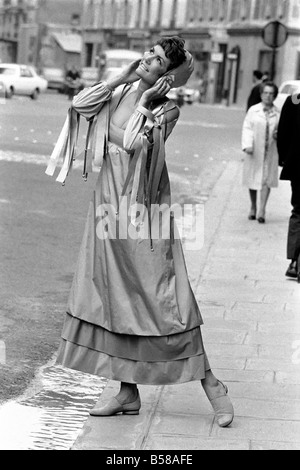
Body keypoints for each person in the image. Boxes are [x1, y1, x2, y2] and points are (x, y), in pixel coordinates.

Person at [46, 36, 234, 427]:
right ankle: (128, 392)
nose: (147, 59)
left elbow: (134, 142)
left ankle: (212, 383)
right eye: (149, 53)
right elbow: (80, 107)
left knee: (164, 297)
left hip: (143, 211)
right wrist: (121, 78)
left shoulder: (168, 110)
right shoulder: (120, 92)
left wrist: (148, 102)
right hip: (106, 207)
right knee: (114, 296)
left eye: (158, 59)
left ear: (168, 74)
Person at [242, 81, 280, 223]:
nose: (268, 96)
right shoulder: (253, 110)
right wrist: (247, 145)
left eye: (271, 93)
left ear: (274, 96)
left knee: (266, 179)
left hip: (270, 150)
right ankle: (253, 206)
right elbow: (247, 128)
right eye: (265, 93)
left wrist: (278, 134)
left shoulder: (277, 112)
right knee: (253, 178)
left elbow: (281, 129)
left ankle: (262, 209)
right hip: (255, 150)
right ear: (261, 94)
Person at [277, 93, 300, 282]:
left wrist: (285, 158)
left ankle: (294, 261)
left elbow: (283, 132)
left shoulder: (294, 100)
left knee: (298, 212)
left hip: (297, 166)